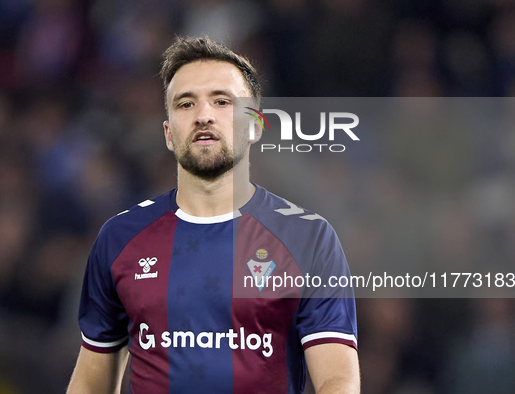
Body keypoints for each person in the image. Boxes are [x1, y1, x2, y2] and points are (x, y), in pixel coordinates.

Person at [67, 36, 360, 394]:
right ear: (168, 133)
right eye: (186, 103)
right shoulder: (119, 238)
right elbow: (91, 380)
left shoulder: (308, 238)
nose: (203, 115)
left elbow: (337, 380)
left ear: (255, 126)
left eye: (222, 101)